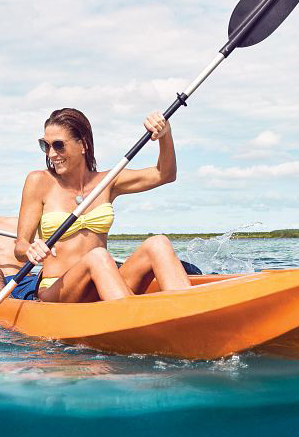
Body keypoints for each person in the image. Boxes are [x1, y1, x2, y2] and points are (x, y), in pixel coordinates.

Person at [13, 108, 191, 302]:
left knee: (158, 243)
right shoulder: (38, 181)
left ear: (83, 145)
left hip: (103, 283)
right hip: (59, 291)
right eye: (45, 146)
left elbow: (165, 174)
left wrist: (165, 134)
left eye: (58, 145)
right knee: (98, 256)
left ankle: (190, 314)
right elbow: (20, 247)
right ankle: (131, 319)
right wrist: (29, 249)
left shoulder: (107, 181)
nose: (52, 153)